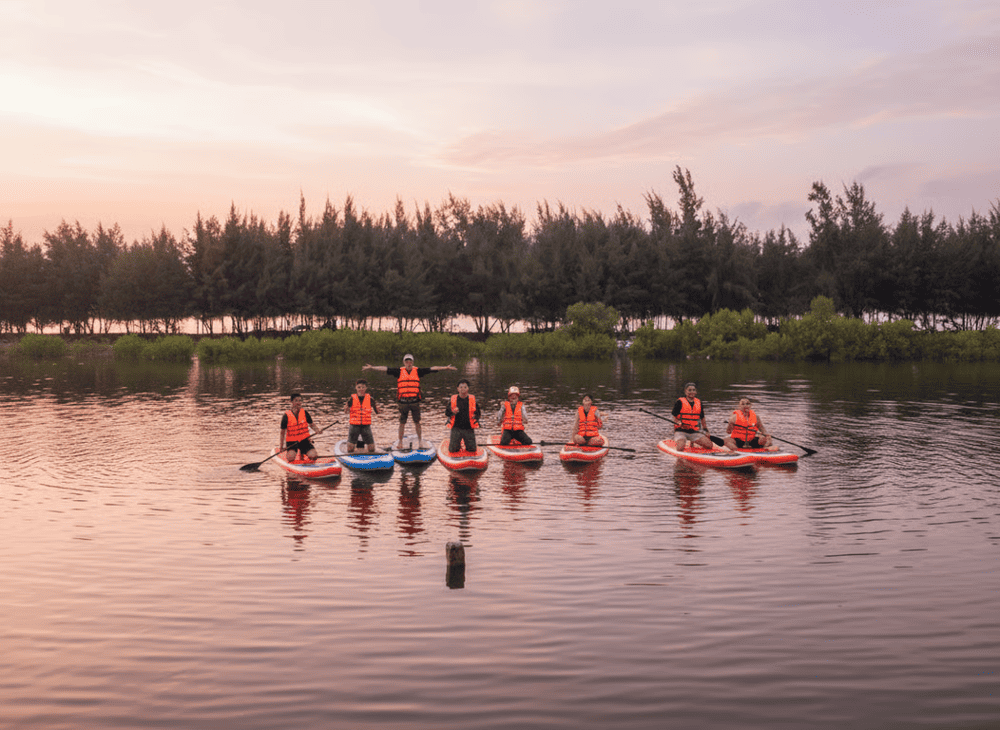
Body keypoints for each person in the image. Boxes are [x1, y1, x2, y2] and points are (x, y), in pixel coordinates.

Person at [362, 354, 457, 447]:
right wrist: (372, 367)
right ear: (404, 363)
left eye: (410, 361)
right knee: (402, 423)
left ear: (412, 362)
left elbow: (432, 369)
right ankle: (400, 442)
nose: (408, 363)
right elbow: (385, 368)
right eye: (407, 362)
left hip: (415, 402)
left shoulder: (418, 371)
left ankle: (420, 441)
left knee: (417, 422)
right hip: (403, 402)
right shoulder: (398, 371)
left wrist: (445, 368)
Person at [671, 382, 727, 452]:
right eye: (689, 390)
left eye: (693, 390)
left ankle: (693, 441)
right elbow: (674, 416)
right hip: (681, 431)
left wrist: (706, 430)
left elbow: (702, 418)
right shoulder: (679, 402)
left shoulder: (699, 402)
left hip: (694, 431)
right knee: (680, 448)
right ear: (685, 391)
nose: (691, 392)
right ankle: (679, 441)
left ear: (696, 392)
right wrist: (678, 422)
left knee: (709, 446)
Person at [280, 392, 325, 461]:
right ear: (291, 402)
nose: (299, 403)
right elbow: (282, 432)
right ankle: (295, 453)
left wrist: (318, 430)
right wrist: (281, 446)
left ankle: (303, 452)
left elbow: (312, 424)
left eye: (300, 401)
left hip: (304, 440)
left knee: (313, 456)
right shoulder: (286, 415)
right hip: (292, 442)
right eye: (296, 401)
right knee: (290, 458)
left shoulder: (305, 413)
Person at [445, 379, 481, 453]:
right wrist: (453, 412)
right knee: (453, 450)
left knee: (472, 450)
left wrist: (475, 417)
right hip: (456, 428)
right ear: (457, 389)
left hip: (469, 428)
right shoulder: (453, 400)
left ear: (468, 388)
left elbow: (478, 413)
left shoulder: (473, 400)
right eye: (461, 387)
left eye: (465, 387)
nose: (463, 389)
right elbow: (447, 413)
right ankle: (456, 444)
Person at [344, 378, 380, 453]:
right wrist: (346, 409)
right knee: (350, 449)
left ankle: (365, 451)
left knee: (371, 449)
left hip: (366, 426)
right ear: (356, 388)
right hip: (354, 425)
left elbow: (377, 412)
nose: (361, 389)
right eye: (359, 387)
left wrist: (379, 410)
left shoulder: (370, 399)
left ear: (366, 388)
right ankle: (354, 451)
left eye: (363, 387)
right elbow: (346, 411)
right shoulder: (351, 398)